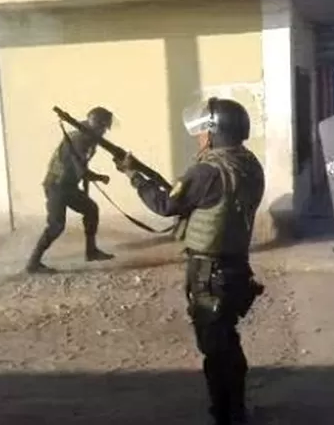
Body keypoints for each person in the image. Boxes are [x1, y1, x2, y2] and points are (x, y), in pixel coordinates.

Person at [115, 97, 266, 425]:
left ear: (213, 133)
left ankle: (226, 416)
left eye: (202, 133)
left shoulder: (207, 170)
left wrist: (134, 176)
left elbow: (166, 205)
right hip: (237, 265)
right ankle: (236, 409)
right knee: (228, 339)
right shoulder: (248, 164)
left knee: (214, 348)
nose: (199, 139)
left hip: (209, 272)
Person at [25, 107, 115, 274]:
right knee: (56, 226)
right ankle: (33, 263)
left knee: (91, 209)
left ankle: (91, 251)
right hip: (57, 187)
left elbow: (80, 168)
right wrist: (100, 178)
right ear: (97, 125)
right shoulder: (79, 140)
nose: (104, 132)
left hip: (68, 187)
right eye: (103, 127)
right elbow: (81, 171)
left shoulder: (87, 139)